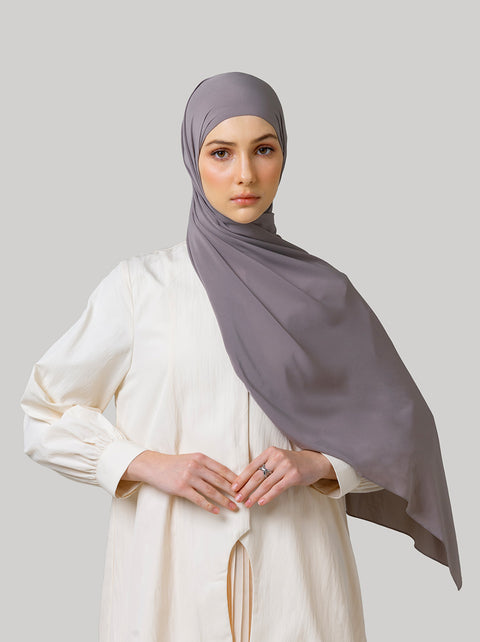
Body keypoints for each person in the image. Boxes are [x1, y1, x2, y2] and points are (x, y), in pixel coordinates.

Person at [20, 71, 461, 642]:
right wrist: (145, 463)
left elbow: (405, 435)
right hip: (166, 582)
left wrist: (320, 465)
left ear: (284, 156)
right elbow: (44, 413)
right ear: (193, 159)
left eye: (264, 150)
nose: (246, 174)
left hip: (299, 581)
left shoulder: (323, 294)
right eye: (222, 153)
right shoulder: (140, 289)